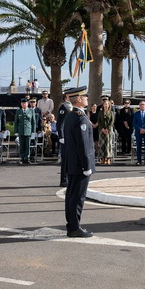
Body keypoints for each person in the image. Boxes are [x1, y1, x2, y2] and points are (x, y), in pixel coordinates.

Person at [62, 86, 95, 237]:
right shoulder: (80, 117)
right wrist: (86, 165)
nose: (87, 98)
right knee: (77, 196)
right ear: (79, 100)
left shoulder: (71, 115)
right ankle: (74, 227)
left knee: (71, 195)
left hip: (73, 163)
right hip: (80, 164)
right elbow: (83, 144)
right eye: (85, 96)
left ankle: (72, 224)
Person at [13, 97, 36, 165]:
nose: (24, 104)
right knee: (22, 145)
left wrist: (33, 131)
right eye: (22, 103)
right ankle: (22, 158)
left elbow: (33, 122)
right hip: (21, 130)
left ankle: (27, 158)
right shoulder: (18, 111)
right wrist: (16, 131)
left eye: (25, 103)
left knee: (27, 145)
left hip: (28, 130)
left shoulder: (31, 111)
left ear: (27, 103)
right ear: (21, 104)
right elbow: (16, 122)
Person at [55, 94, 71, 185]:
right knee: (65, 159)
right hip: (65, 137)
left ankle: (68, 177)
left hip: (70, 136)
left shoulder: (71, 106)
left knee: (69, 159)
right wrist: (61, 136)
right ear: (66, 97)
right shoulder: (64, 107)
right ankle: (64, 179)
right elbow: (60, 123)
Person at [133, 100, 145, 165]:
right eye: (141, 104)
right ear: (139, 106)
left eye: (143, 104)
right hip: (138, 132)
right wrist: (139, 129)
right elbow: (134, 123)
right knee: (139, 146)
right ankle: (139, 160)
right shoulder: (136, 114)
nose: (142, 106)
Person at [96, 96, 114, 165]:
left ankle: (108, 158)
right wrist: (102, 129)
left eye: (107, 104)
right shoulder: (100, 112)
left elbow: (112, 121)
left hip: (108, 131)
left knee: (108, 144)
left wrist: (108, 129)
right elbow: (99, 121)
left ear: (109, 105)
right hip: (102, 130)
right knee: (102, 144)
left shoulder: (111, 112)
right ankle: (102, 158)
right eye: (104, 104)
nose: (105, 105)